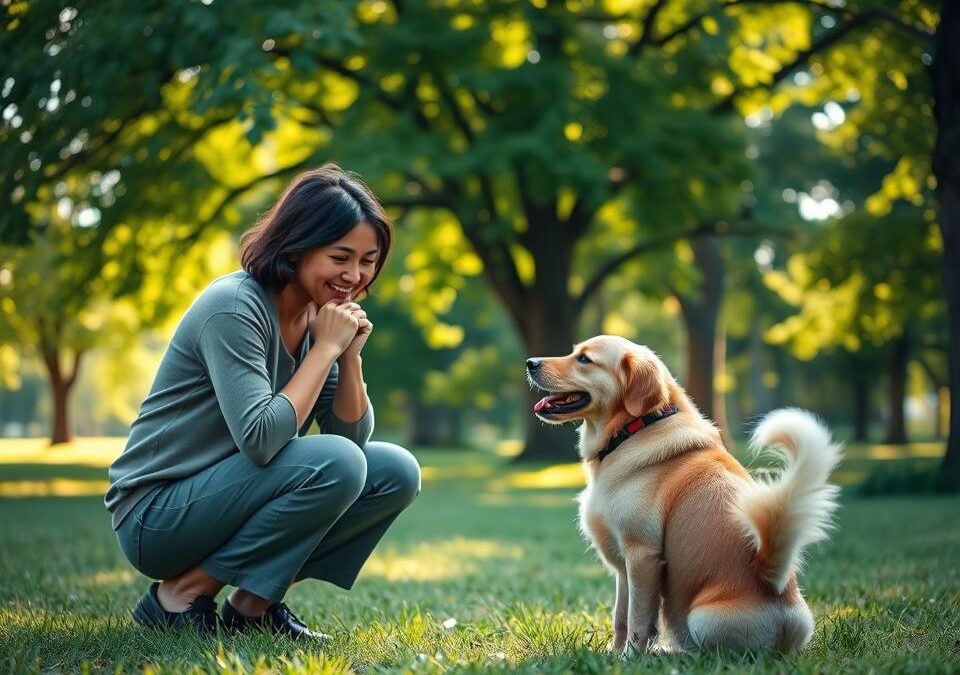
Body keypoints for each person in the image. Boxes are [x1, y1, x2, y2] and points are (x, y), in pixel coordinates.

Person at [104, 164, 421, 639]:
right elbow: (261, 439)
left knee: (394, 471)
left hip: (230, 495)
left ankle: (252, 607)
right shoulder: (233, 307)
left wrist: (348, 357)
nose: (355, 276)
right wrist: (327, 350)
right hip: (157, 515)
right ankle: (178, 597)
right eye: (340, 256)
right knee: (335, 463)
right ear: (297, 247)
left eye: (369, 260)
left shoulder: (320, 318)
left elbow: (351, 438)